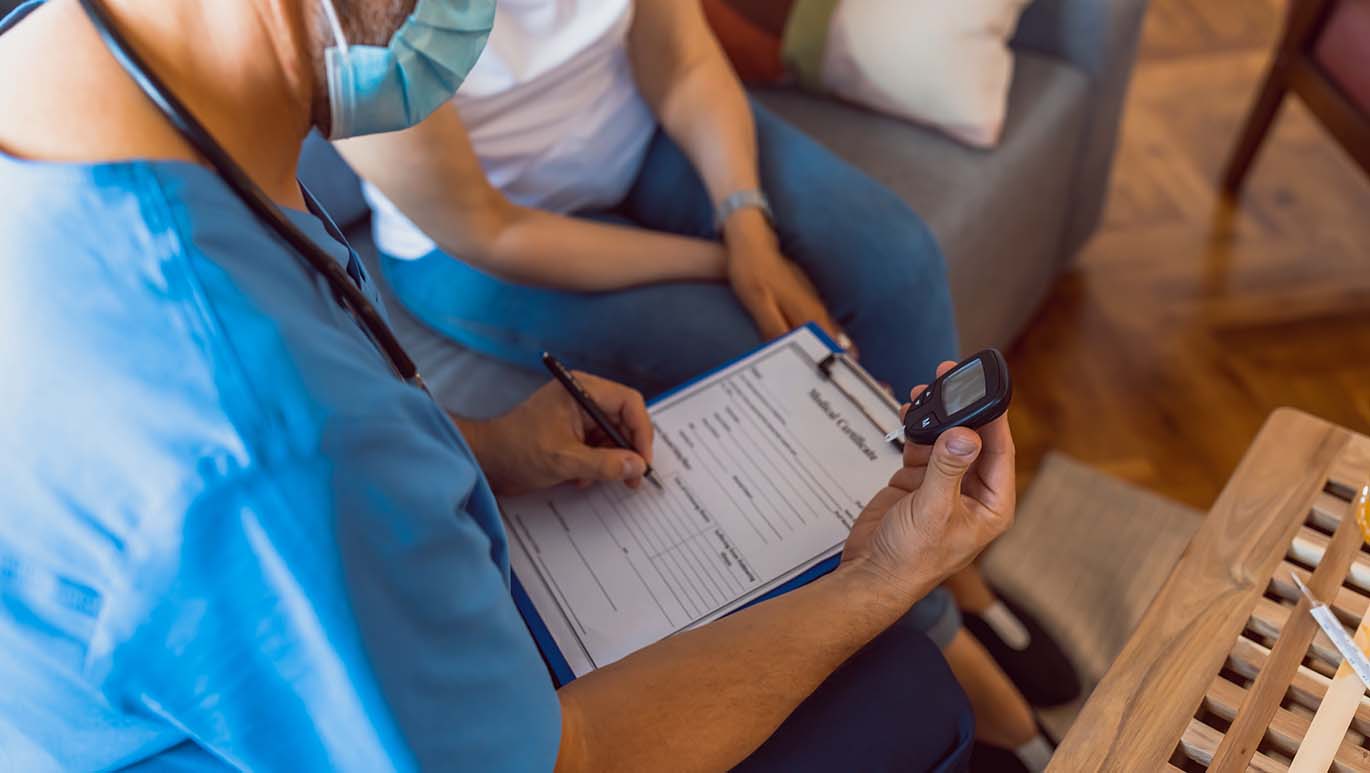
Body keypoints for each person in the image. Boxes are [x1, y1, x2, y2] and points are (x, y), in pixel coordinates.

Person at [0, 0, 1013, 769]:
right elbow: (558, 756)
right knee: (906, 697)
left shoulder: (92, 74)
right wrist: (877, 582)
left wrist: (480, 447)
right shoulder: (257, 433)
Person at [335, 1, 1067, 766]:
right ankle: (947, 632)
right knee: (748, 347)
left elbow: (680, 56)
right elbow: (491, 229)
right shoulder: (364, 27)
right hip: (484, 241)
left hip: (639, 131)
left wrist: (744, 218)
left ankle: (962, 573)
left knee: (897, 260)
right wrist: (723, 259)